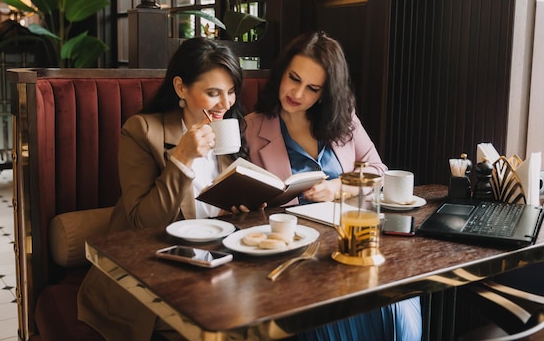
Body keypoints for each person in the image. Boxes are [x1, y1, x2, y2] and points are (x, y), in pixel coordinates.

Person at [244, 31, 422, 340]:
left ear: (326, 93)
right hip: (295, 256)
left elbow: (379, 170)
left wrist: (339, 187)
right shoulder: (251, 126)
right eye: (293, 78)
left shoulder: (344, 119)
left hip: (351, 242)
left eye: (312, 88)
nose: (297, 93)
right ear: (281, 73)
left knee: (393, 303)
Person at [78, 36, 254, 341]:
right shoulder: (142, 131)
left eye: (231, 92)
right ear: (181, 88)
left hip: (218, 266)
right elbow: (142, 224)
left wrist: (246, 205)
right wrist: (182, 159)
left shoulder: (229, 133)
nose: (225, 104)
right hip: (152, 273)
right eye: (213, 93)